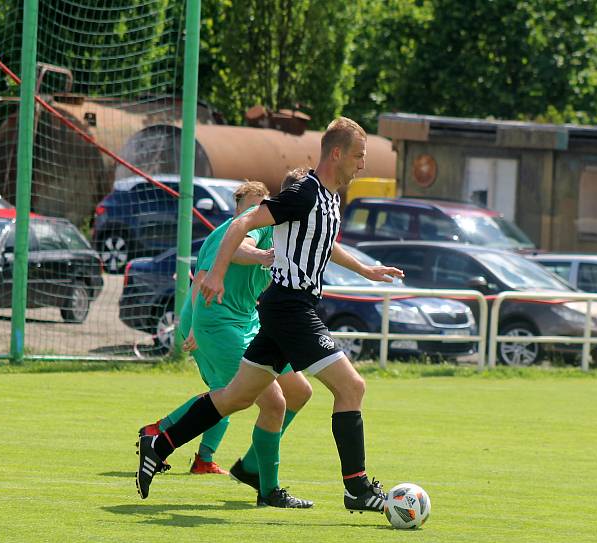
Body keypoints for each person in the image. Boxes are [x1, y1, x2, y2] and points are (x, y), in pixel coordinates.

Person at [137, 117, 404, 513]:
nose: (363, 164)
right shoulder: (304, 193)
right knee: (351, 388)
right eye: (359, 156)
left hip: (287, 309)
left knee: (237, 397)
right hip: (291, 308)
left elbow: (323, 244)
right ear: (336, 153)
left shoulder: (330, 199)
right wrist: (219, 273)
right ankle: (357, 489)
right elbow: (243, 222)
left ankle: (160, 443)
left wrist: (367, 270)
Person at [138, 176, 315, 508]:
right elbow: (220, 265)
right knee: (245, 399)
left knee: (297, 391)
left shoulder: (288, 230)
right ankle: (162, 437)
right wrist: (188, 325)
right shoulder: (255, 226)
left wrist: (365, 269)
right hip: (217, 325)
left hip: (249, 323)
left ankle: (245, 465)